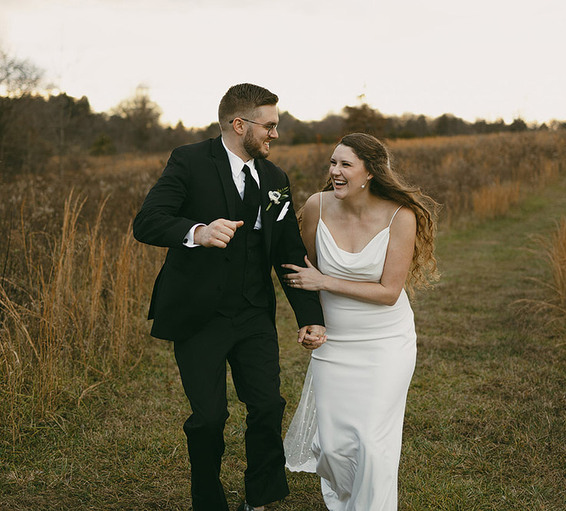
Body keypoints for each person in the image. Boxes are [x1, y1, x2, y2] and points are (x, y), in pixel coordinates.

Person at [133, 83, 326, 511]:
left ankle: (259, 498)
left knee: (267, 405)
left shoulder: (275, 179)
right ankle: (208, 500)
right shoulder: (189, 160)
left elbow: (288, 252)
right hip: (199, 316)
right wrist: (197, 233)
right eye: (270, 125)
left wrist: (309, 316)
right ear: (240, 125)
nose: (275, 134)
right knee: (209, 419)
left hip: (254, 314)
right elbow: (147, 222)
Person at [281, 133, 439, 510]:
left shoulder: (400, 217)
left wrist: (325, 282)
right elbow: (301, 270)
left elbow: (388, 292)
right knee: (334, 447)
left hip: (385, 342)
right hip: (334, 341)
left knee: (371, 442)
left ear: (370, 172)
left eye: (345, 164)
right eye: (333, 163)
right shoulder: (316, 207)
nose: (335, 171)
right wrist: (309, 322)